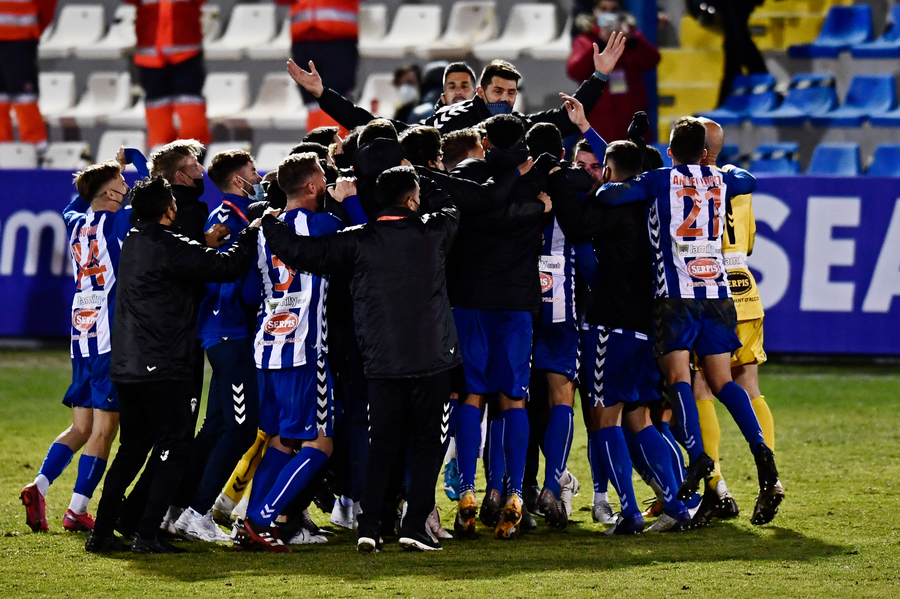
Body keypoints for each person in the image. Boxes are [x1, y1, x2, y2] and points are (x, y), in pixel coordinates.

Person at [259, 166, 464, 552]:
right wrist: (423, 174)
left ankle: (369, 526)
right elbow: (452, 204)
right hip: (432, 360)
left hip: (381, 361)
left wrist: (270, 225)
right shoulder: (434, 231)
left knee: (381, 444)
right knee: (427, 446)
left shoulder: (356, 240)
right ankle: (414, 526)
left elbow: (301, 254)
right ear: (411, 199)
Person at [595, 116, 783, 526]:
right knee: (724, 382)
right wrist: (726, 168)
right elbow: (747, 179)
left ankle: (698, 456)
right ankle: (762, 453)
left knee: (678, 376)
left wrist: (611, 183)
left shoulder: (659, 181)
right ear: (704, 151)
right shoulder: (721, 179)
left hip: (674, 295)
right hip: (717, 294)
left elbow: (610, 195)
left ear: (669, 149)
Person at [86, 176, 261, 554]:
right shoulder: (168, 245)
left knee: (131, 449)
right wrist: (251, 232)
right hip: (164, 366)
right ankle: (146, 535)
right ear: (169, 210)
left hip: (129, 365)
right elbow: (226, 267)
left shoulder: (135, 242)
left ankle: (101, 533)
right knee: (175, 447)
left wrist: (202, 245)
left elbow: (183, 264)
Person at [232, 153, 365, 552]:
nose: (326, 184)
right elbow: (368, 241)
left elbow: (247, 294)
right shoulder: (323, 224)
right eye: (323, 179)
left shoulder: (261, 231)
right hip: (307, 349)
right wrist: (349, 200)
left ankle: (250, 525)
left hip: (267, 348)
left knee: (280, 440)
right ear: (312, 186)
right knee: (321, 444)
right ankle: (261, 518)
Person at [21, 154, 131, 533]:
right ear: (111, 192)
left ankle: (39, 485)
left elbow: (75, 203)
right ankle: (78, 509)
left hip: (80, 329)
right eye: (121, 183)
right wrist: (132, 162)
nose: (127, 187)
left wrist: (107, 170)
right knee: (105, 428)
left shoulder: (76, 222)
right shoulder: (119, 220)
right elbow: (157, 195)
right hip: (108, 335)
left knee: (81, 426)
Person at [168, 150, 265, 543]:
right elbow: (217, 276)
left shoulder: (236, 213)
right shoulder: (229, 217)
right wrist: (247, 300)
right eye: (253, 171)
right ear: (238, 180)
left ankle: (178, 507)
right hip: (229, 332)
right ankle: (197, 513)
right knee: (241, 431)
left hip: (224, 332)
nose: (258, 176)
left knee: (216, 428)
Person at [691, 118, 780, 526]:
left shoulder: (687, 184)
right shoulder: (738, 185)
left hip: (709, 290)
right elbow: (749, 241)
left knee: (701, 385)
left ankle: (716, 487)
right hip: (746, 288)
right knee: (749, 382)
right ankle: (770, 480)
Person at [426, 37, 625, 135]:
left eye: (511, 92)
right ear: (480, 92)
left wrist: (599, 76)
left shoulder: (516, 125)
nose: (505, 98)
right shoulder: (455, 119)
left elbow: (564, 120)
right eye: (497, 91)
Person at [286, 60, 477, 134]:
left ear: (476, 93)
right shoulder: (427, 135)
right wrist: (322, 93)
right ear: (442, 98)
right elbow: (366, 122)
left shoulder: (493, 130)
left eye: (464, 86)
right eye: (452, 86)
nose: (459, 91)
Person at [566, 0, 660, 143]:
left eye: (613, 9)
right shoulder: (586, 39)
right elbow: (575, 70)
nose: (608, 13)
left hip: (631, 117)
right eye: (603, 9)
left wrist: (632, 41)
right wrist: (600, 43)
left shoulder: (631, 35)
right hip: (599, 120)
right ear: (595, 11)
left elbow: (652, 60)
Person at [124, 0, 210, 147]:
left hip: (185, 51)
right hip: (150, 54)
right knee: (157, 106)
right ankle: (162, 151)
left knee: (190, 103)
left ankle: (195, 149)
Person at [277, 0, 360, 131]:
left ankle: (339, 149)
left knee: (337, 99)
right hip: (303, 39)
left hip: (339, 39)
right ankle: (318, 148)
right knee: (312, 103)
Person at [0, 0, 54, 147]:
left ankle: (36, 150)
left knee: (25, 98)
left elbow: (46, 6)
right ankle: (3, 151)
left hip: (20, 39)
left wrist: (32, 31)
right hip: (20, 37)